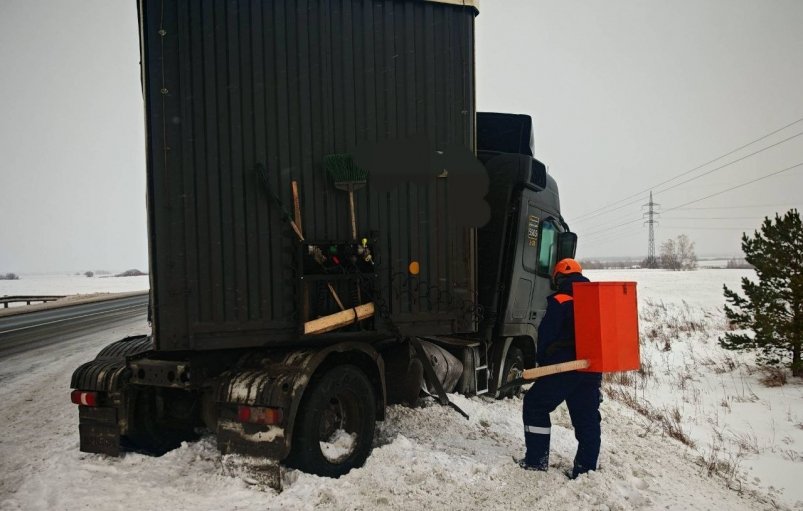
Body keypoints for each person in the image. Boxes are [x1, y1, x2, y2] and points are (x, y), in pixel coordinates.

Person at [519, 258, 603, 478]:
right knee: (587, 418)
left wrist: (543, 362)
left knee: (535, 405)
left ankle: (536, 460)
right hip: (591, 367)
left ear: (558, 277)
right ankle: (585, 470)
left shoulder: (561, 299)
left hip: (564, 367)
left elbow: (547, 336)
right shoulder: (596, 298)